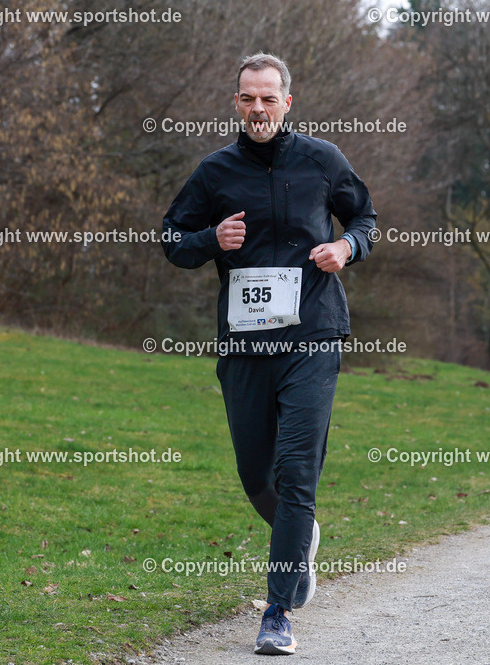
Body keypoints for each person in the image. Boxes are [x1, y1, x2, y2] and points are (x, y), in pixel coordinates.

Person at [161, 53, 376, 655]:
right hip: (246, 344)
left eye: (268, 98)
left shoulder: (322, 160)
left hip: (312, 336)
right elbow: (171, 240)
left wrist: (347, 248)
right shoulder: (215, 171)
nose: (259, 109)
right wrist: (210, 240)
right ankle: (299, 534)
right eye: (248, 98)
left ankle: (277, 611)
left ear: (288, 101)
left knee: (296, 473)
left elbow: (365, 216)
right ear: (237, 103)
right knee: (256, 476)